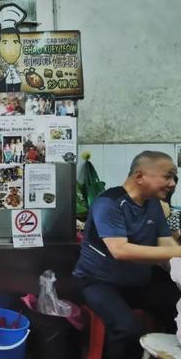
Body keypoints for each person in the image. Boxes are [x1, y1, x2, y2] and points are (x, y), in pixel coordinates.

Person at [73, 151, 180, 359]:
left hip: (140, 282)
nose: (173, 183)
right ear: (139, 177)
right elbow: (120, 250)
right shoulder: (109, 203)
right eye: (167, 176)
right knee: (127, 330)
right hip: (99, 283)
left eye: (174, 177)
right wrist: (178, 251)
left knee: (177, 309)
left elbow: (165, 244)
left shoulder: (153, 205)